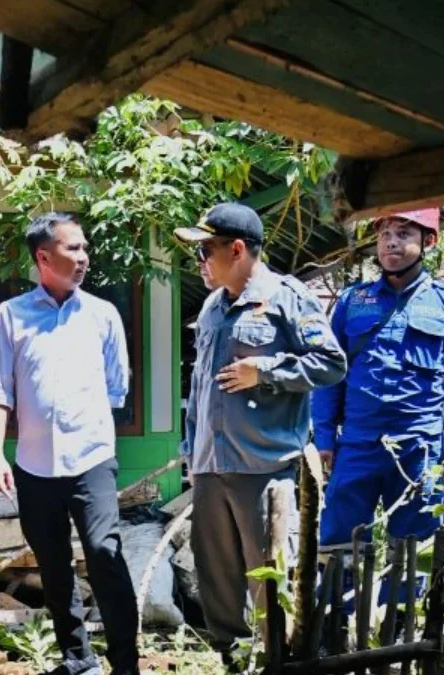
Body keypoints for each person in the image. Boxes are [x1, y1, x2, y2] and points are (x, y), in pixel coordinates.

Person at [175, 203, 346, 657]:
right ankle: (231, 657)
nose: (200, 262)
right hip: (212, 466)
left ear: (237, 249)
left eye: (206, 250)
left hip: (265, 466)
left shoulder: (287, 297)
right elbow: (200, 385)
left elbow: (331, 363)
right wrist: (192, 454)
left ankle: (280, 659)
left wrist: (265, 370)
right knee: (217, 578)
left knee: (271, 577)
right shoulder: (212, 307)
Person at [0, 213, 140, 675]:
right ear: (43, 257)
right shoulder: (10, 316)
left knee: (105, 556)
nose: (83, 258)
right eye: (73, 249)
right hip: (33, 466)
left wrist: (79, 424)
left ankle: (126, 664)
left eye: (84, 248)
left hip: (91, 461)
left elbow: (118, 386)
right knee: (53, 567)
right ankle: (79, 660)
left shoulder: (102, 314)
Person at [311, 208, 444, 601]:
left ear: (429, 241)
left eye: (403, 232)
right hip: (357, 446)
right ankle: (335, 634)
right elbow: (330, 373)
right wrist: (323, 437)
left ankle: (399, 634)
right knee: (340, 543)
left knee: (413, 548)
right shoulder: (353, 302)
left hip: (419, 449)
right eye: (384, 232)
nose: (390, 241)